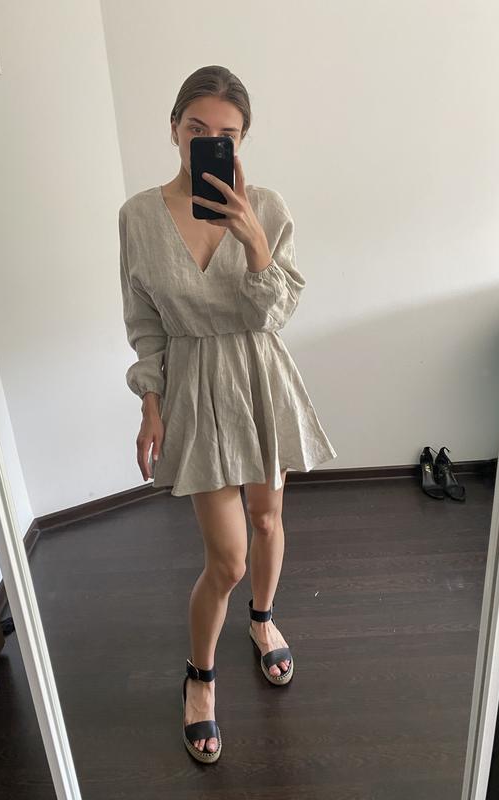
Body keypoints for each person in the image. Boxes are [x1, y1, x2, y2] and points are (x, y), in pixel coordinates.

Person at [119, 65, 338, 763]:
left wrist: (253, 238)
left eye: (226, 134)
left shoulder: (265, 206)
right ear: (174, 128)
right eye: (196, 128)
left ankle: (263, 621)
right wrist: (150, 404)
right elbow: (144, 322)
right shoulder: (138, 217)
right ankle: (200, 677)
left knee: (269, 519)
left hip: (258, 375)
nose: (208, 141)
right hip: (193, 386)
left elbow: (277, 312)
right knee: (227, 557)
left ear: (242, 141)